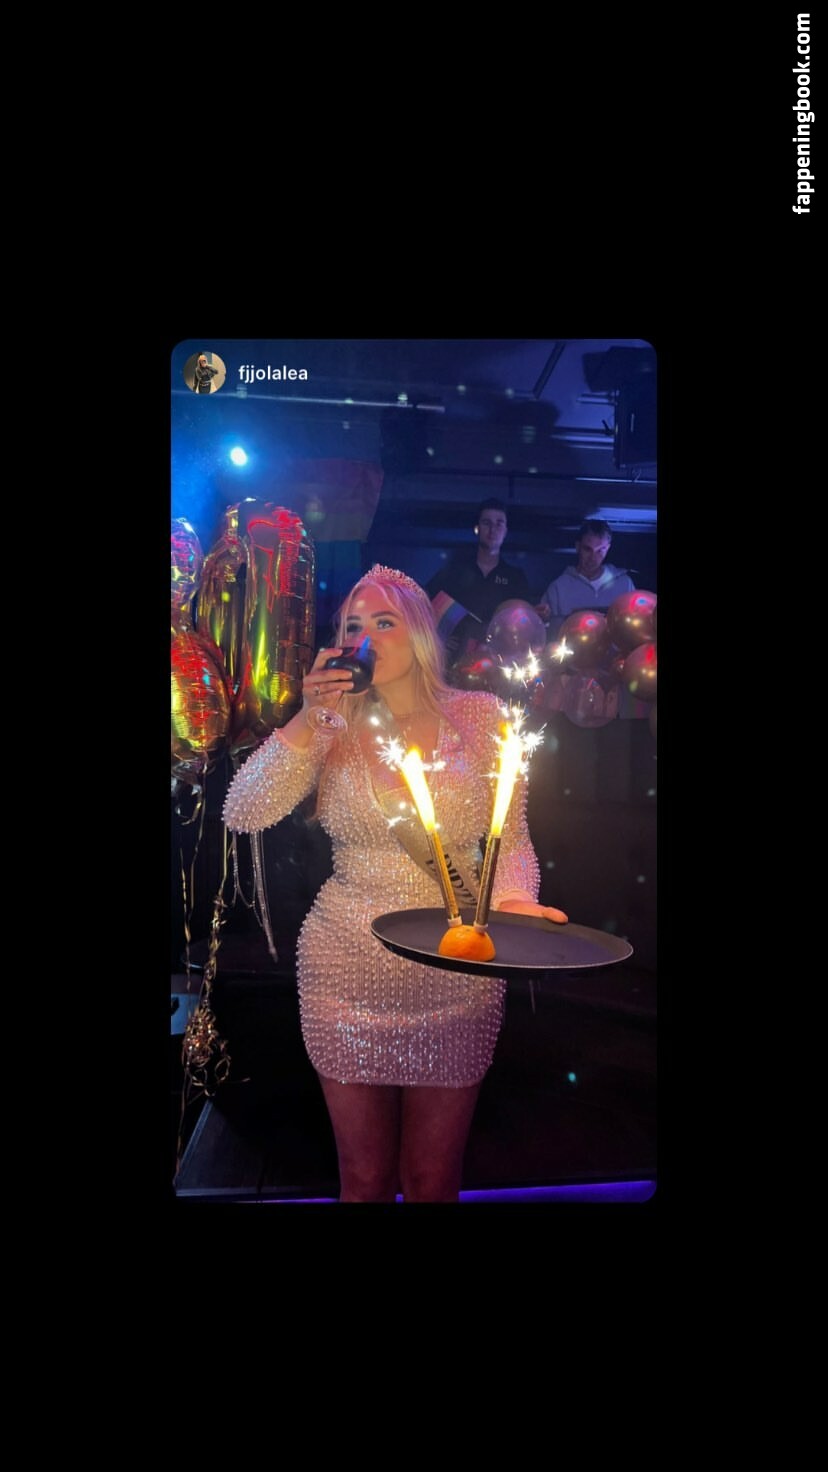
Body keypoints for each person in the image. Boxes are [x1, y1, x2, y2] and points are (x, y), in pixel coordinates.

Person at [222, 564, 566, 1203]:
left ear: (422, 635)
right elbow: (244, 811)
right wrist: (309, 717)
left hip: (458, 972)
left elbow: (511, 839)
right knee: (365, 1181)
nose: (366, 638)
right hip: (344, 974)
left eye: (384, 622)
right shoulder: (331, 725)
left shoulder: (482, 718)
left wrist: (516, 901)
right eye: (353, 626)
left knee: (432, 1182)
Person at [426, 499, 532, 667]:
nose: (493, 530)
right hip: (457, 665)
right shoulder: (455, 571)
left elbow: (526, 623)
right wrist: (438, 638)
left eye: (499, 524)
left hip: (501, 666)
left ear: (505, 531)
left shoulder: (515, 578)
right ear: (477, 529)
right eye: (486, 523)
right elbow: (424, 602)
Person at [538, 519, 636, 638]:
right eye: (588, 549)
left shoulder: (624, 585)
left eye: (600, 550)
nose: (593, 558)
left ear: (608, 548)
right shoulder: (558, 588)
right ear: (578, 546)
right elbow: (545, 631)